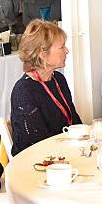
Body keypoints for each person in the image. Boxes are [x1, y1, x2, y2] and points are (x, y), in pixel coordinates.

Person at [10, 20, 82, 156]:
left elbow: (74, 121)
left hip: (64, 154)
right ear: (43, 54)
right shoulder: (24, 91)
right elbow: (37, 144)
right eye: (61, 47)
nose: (67, 51)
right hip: (37, 163)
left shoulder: (58, 80)